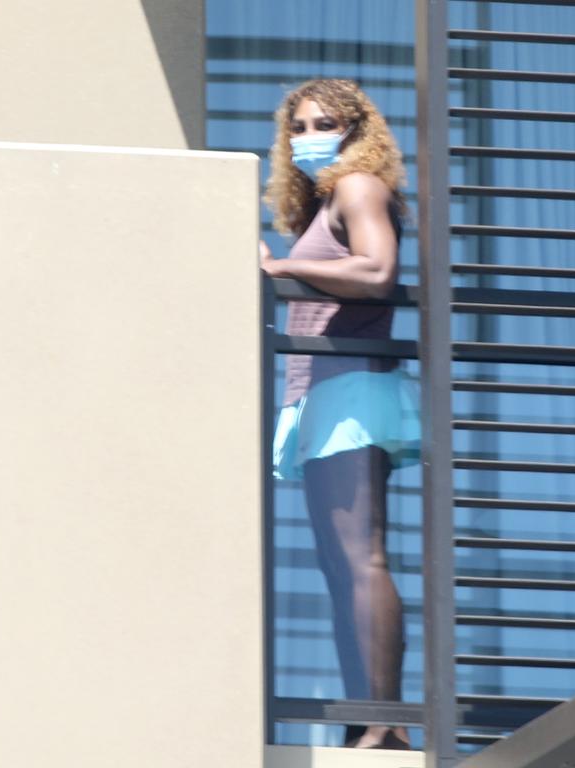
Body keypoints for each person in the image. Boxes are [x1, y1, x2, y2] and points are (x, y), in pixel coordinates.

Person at [259, 78, 419, 750]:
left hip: (352, 385)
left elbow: (378, 271)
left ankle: (386, 724)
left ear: (357, 133)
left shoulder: (358, 188)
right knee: (337, 564)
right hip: (326, 389)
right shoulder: (321, 205)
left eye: (325, 124)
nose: (308, 137)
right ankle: (368, 716)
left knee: (360, 557)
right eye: (298, 127)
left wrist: (276, 270)